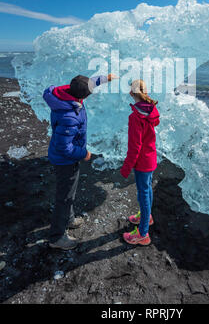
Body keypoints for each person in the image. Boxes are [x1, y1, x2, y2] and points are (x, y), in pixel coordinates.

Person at [43, 73, 116, 250]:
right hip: (64, 161)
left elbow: (87, 83)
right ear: (82, 96)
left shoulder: (64, 93)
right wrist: (83, 153)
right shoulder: (69, 116)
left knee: (70, 192)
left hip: (64, 157)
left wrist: (105, 78)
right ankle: (57, 237)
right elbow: (64, 148)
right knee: (65, 198)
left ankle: (69, 219)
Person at [120, 79, 160, 246]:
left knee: (143, 193)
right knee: (147, 188)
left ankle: (143, 234)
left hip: (142, 162)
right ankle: (147, 217)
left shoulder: (135, 117)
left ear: (131, 93)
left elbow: (135, 146)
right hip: (151, 158)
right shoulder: (152, 111)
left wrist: (126, 167)